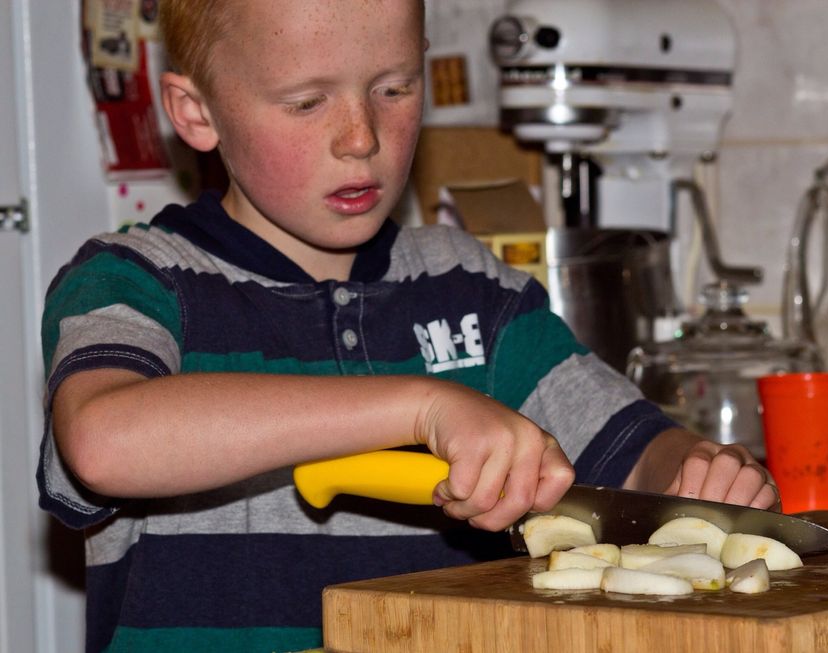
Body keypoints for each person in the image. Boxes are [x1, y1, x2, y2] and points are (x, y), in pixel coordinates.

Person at [38, 1, 778, 651]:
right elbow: (104, 441)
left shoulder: (473, 289)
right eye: (305, 103)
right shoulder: (133, 281)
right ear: (196, 112)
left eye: (394, 88)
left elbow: (630, 448)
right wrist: (421, 405)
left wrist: (694, 472)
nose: (360, 136)